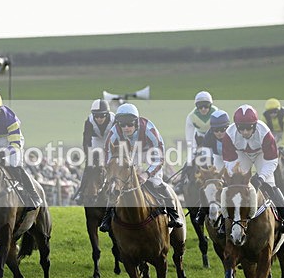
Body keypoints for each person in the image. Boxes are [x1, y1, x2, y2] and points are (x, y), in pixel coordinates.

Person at [99, 103, 182, 232]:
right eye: (123, 125)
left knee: (156, 182)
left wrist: (146, 174)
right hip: (127, 154)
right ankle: (107, 217)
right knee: (116, 185)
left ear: (136, 123)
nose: (126, 128)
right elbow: (107, 155)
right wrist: (113, 173)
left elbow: (159, 157)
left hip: (149, 152)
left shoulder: (149, 130)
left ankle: (174, 215)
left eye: (130, 124)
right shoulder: (114, 132)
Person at [219, 104, 284, 234]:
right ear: (236, 127)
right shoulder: (229, 134)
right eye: (241, 129)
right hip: (241, 154)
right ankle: (223, 221)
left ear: (254, 125)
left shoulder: (264, 132)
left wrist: (261, 178)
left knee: (270, 184)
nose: (245, 132)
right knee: (232, 185)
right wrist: (235, 177)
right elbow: (228, 159)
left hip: (263, 154)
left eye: (248, 128)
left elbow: (272, 160)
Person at [73, 99, 115, 204]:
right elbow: (86, 141)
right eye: (96, 116)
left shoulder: (114, 120)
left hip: (111, 141)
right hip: (96, 141)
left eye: (102, 116)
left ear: (107, 114)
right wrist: (89, 156)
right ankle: (81, 191)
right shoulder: (89, 121)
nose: (99, 119)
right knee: (89, 165)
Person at [185, 91, 218, 158]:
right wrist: (193, 150)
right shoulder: (191, 117)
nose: (203, 109)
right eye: (200, 106)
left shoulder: (216, 113)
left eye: (206, 106)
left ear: (210, 105)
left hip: (214, 138)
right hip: (199, 139)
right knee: (189, 160)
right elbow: (189, 136)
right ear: (196, 106)